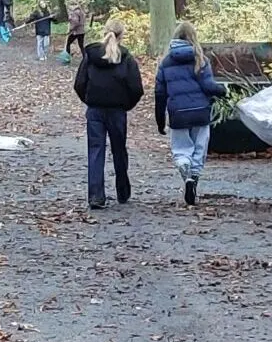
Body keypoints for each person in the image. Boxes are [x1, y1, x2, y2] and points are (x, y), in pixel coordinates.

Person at [73, 20, 144, 209]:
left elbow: (79, 84)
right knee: (119, 150)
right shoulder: (127, 59)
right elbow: (136, 88)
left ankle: (96, 196)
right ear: (121, 36)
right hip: (117, 111)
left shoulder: (90, 56)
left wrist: (89, 100)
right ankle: (123, 191)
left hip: (95, 110)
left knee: (95, 151)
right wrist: (126, 105)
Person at [155, 22, 226, 206]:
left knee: (181, 150)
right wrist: (223, 91)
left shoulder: (166, 62)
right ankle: (193, 178)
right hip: (200, 112)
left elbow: (160, 93)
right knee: (199, 148)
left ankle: (185, 171)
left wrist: (160, 119)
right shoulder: (200, 59)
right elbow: (208, 86)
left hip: (178, 113)